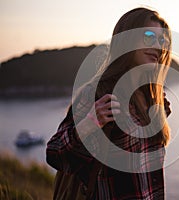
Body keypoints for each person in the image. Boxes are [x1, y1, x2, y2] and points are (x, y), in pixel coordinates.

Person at [46, 7, 172, 200]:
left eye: (162, 40)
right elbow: (54, 153)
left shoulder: (152, 99)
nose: (157, 46)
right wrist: (89, 123)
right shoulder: (99, 93)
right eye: (148, 36)